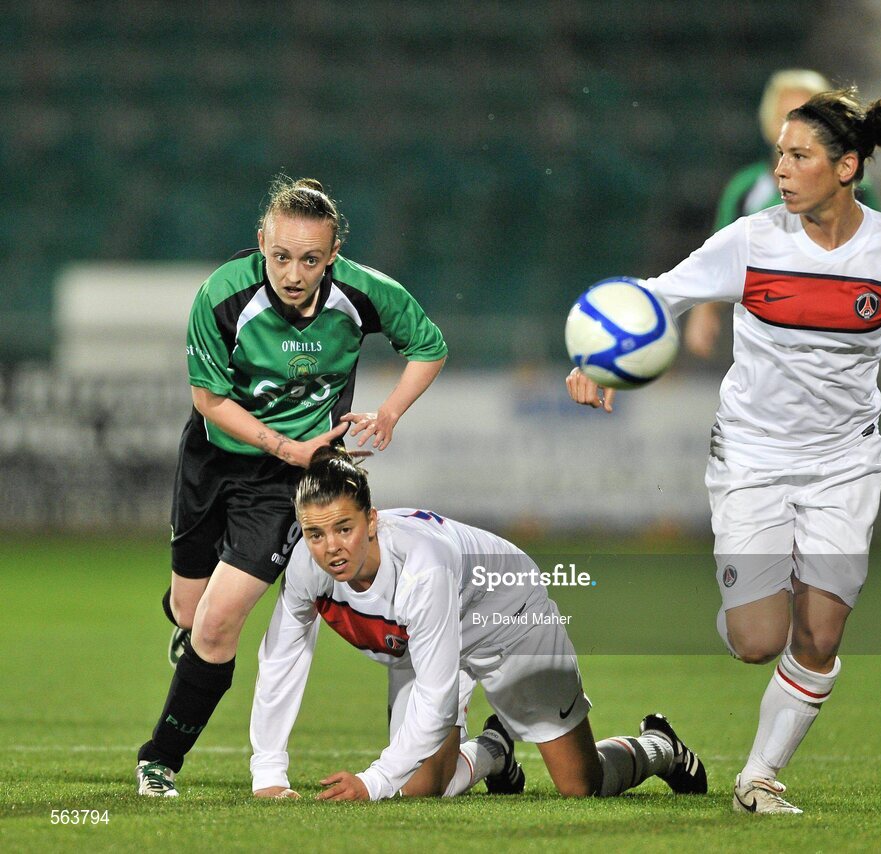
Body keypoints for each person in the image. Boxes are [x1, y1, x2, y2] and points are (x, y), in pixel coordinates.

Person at [567, 87, 881, 814]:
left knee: (820, 634)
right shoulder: (752, 240)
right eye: (780, 153)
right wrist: (596, 356)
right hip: (751, 455)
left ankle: (760, 776)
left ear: (846, 168)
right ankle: (748, 601)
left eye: (799, 155)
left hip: (846, 463)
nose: (781, 168)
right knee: (757, 639)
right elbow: (662, 294)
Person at [135, 177, 449, 797]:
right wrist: (285, 443)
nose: (294, 273)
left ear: (332, 255)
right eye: (281, 256)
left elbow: (430, 346)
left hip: (288, 482)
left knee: (219, 624)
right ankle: (187, 628)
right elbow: (208, 400)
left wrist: (387, 414)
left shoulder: (364, 292)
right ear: (261, 245)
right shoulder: (222, 296)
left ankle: (159, 760)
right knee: (190, 611)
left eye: (310, 259)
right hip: (215, 458)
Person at [248, 446, 708, 801]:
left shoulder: (421, 568)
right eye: (315, 533)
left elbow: (435, 693)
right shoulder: (309, 568)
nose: (330, 547)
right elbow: (282, 657)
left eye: (343, 528)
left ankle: (660, 747)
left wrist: (375, 780)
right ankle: (495, 750)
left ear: (371, 521)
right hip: (427, 638)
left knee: (580, 784)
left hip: (506, 615)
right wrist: (268, 773)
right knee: (423, 787)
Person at [685, 69, 881, 359]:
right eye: (786, 118)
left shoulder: (854, 186)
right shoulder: (746, 189)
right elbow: (723, 255)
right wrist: (705, 310)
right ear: (768, 125)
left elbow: (880, 255)